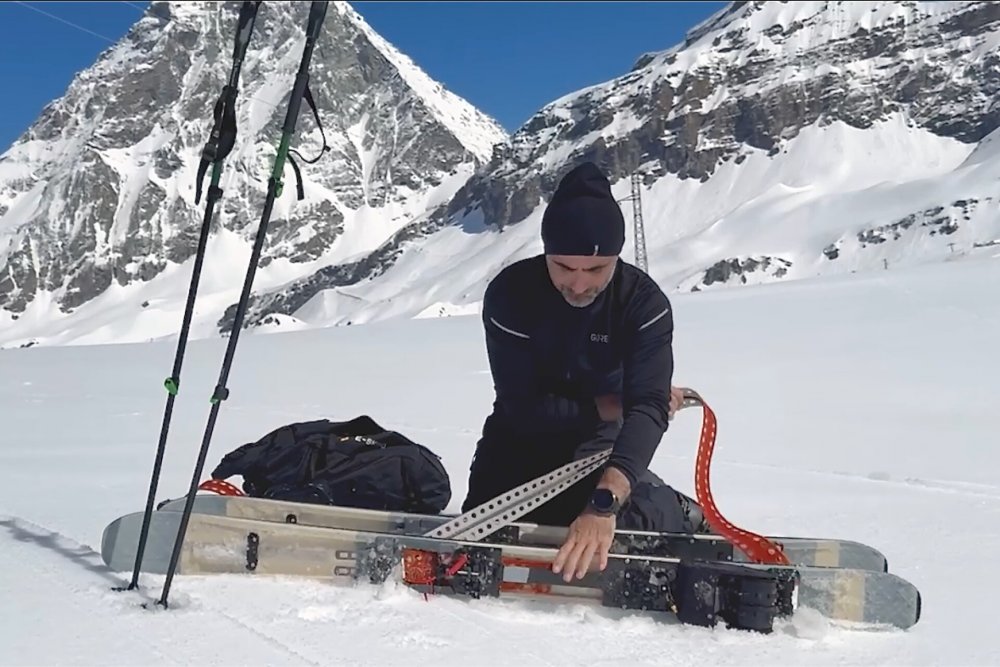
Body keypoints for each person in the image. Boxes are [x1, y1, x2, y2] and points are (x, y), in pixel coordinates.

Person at [463, 161, 708, 584]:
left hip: (597, 448)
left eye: (595, 270)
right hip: (518, 439)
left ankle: (670, 508)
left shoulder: (642, 305)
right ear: (546, 254)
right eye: (563, 267)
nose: (578, 285)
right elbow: (523, 408)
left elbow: (648, 409)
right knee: (477, 538)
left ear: (616, 257)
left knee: (622, 530)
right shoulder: (511, 296)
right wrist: (615, 404)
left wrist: (602, 504)